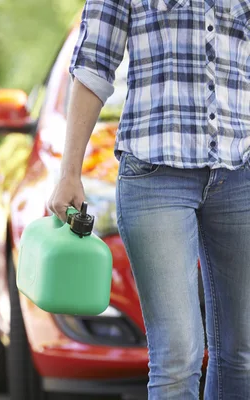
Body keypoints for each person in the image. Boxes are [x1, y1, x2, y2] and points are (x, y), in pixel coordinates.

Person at [48, 1, 250, 399]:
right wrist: (69, 172)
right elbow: (93, 63)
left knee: (242, 353)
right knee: (177, 357)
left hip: (240, 170)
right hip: (155, 175)